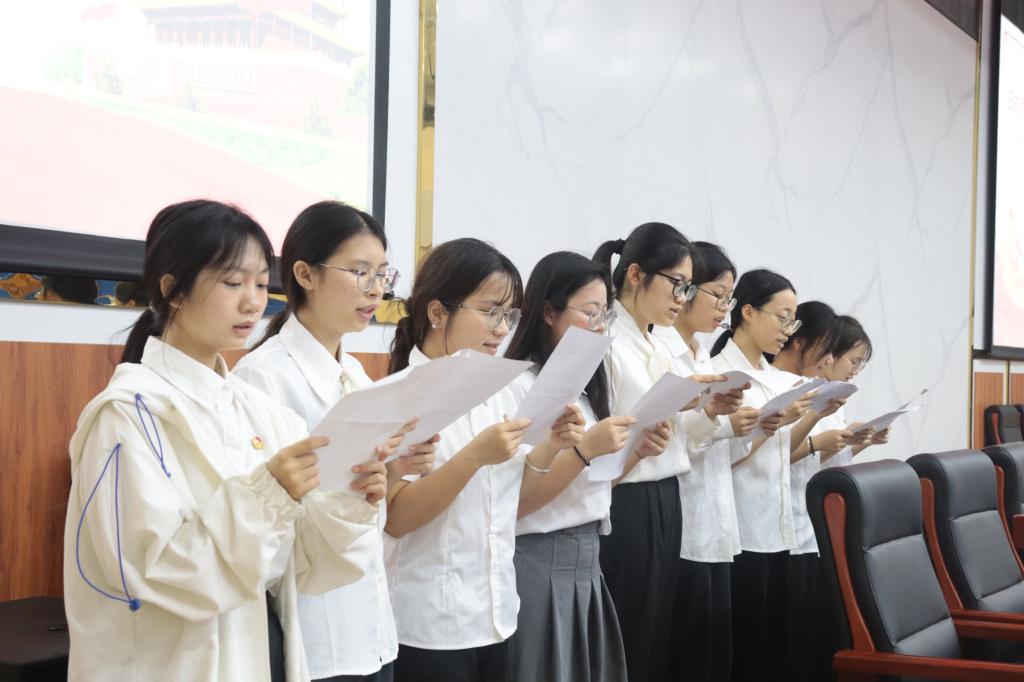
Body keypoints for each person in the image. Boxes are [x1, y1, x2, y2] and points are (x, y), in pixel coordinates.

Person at [64, 200, 394, 681]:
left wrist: (349, 499)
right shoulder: (126, 416)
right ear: (172, 290)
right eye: (233, 283)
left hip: (258, 655)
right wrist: (268, 495)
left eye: (260, 284)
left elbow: (302, 568)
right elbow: (153, 572)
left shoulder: (259, 411)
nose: (253, 302)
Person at [235, 201, 436, 682]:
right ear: (305, 274)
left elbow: (363, 498)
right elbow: (256, 518)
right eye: (360, 272)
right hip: (315, 627)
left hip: (372, 621)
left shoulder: (356, 374)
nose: (376, 290)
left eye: (382, 274)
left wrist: (394, 468)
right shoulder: (262, 377)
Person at [385, 238, 583, 682]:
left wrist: (552, 445)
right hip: (430, 625)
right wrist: (474, 456)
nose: (501, 329)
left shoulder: (503, 391)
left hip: (498, 612)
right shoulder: (402, 396)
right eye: (490, 311)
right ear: (438, 313)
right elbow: (396, 518)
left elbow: (512, 502)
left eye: (509, 315)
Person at [592, 223, 735, 681]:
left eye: (688, 287)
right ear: (635, 274)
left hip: (665, 494)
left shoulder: (657, 342)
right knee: (628, 629)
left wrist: (707, 409)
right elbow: (604, 428)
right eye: (677, 284)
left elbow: (677, 439)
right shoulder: (605, 340)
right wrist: (677, 397)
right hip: (625, 498)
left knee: (656, 630)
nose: (682, 298)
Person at [503, 251, 634, 682]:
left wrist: (635, 454)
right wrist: (584, 452)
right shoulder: (519, 387)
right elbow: (518, 502)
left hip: (587, 560)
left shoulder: (584, 388)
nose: (599, 325)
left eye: (605, 315)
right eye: (590, 313)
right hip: (539, 558)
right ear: (548, 313)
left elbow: (591, 488)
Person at [657, 241, 751, 682]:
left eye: (729, 298)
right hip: (681, 522)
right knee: (685, 655)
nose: (723, 309)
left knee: (716, 655)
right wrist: (714, 417)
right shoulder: (663, 354)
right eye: (718, 295)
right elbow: (667, 445)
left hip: (715, 520)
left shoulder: (700, 354)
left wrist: (729, 421)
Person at [709, 268, 808, 682]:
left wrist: (800, 418)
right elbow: (720, 457)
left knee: (774, 651)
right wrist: (770, 426)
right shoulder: (721, 374)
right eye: (782, 318)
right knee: (746, 652)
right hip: (742, 529)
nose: (787, 330)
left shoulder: (778, 378)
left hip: (778, 526)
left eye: (793, 322)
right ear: (747, 312)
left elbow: (783, 453)